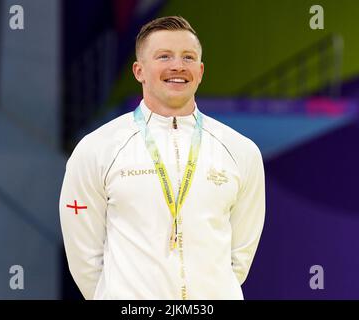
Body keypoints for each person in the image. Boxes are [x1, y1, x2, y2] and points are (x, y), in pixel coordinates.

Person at [59, 16, 265, 300]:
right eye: (164, 56)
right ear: (139, 70)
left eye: (188, 57)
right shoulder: (97, 148)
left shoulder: (240, 150)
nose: (178, 66)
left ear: (201, 71)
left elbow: (240, 255)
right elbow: (84, 255)